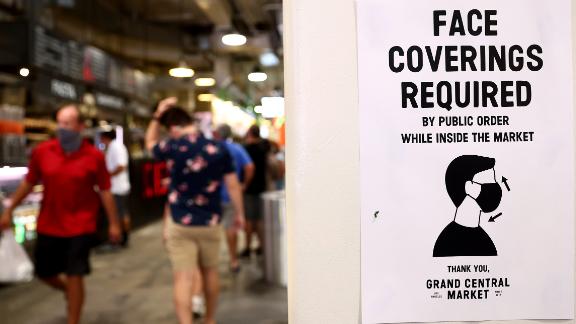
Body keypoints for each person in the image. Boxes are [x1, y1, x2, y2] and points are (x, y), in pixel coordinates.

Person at [0, 104, 121, 324]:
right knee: (44, 272)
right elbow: (28, 183)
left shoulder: (94, 156)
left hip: (81, 224)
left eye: (68, 123)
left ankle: (73, 318)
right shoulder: (43, 152)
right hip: (50, 223)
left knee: (76, 273)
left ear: (80, 126)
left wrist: (114, 223)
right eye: (60, 123)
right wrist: (9, 210)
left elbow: (105, 191)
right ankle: (68, 291)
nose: (62, 128)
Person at [145, 97, 245, 324]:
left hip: (180, 223)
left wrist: (157, 114)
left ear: (172, 127)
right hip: (210, 221)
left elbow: (150, 142)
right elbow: (232, 185)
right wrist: (240, 214)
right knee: (210, 271)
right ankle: (209, 319)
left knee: (183, 278)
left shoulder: (172, 146)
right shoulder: (219, 149)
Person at [433, 155, 501, 257]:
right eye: (489, 181)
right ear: (469, 187)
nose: (495, 187)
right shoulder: (446, 244)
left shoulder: (485, 243)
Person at [214, 124, 254, 272]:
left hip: (212, 197)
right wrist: (243, 184)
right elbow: (249, 167)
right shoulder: (237, 149)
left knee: (211, 231)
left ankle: (210, 264)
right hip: (231, 196)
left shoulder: (211, 149)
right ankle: (233, 260)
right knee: (231, 228)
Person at [241, 125, 270, 257]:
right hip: (263, 187)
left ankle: (247, 247)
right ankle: (261, 246)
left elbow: (248, 169)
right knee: (259, 220)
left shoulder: (247, 149)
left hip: (250, 189)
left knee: (249, 219)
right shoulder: (264, 148)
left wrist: (245, 184)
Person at [100, 129, 131, 247]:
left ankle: (121, 239)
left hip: (118, 187)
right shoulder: (114, 147)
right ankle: (122, 239)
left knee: (120, 214)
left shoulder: (116, 147)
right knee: (121, 213)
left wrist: (107, 176)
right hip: (118, 187)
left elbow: (121, 166)